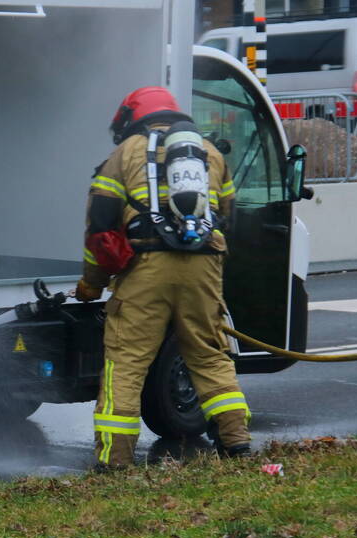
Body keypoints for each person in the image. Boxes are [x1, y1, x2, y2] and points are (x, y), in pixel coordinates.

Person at [75, 86, 250, 469]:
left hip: (146, 268)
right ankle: (235, 443)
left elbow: (101, 228)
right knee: (209, 355)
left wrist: (93, 282)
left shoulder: (125, 153)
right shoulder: (211, 153)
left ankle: (114, 459)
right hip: (203, 265)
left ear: (130, 118)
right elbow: (229, 218)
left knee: (126, 362)